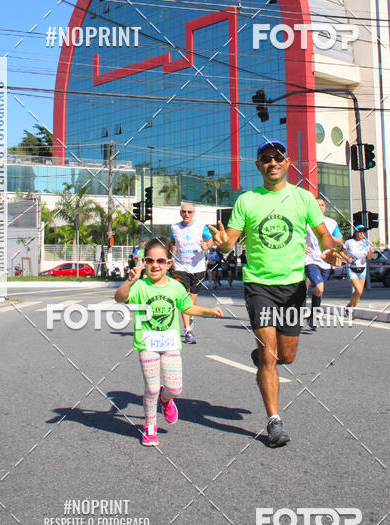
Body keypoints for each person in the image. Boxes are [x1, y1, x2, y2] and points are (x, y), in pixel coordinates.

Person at [209, 139, 337, 448]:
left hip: (293, 287)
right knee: (269, 356)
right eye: (266, 158)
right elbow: (230, 244)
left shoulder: (303, 198)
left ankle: (264, 357)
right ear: (258, 165)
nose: (273, 162)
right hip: (259, 286)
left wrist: (331, 251)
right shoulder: (248, 200)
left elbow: (323, 235)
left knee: (287, 357)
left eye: (278, 157)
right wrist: (224, 242)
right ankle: (274, 421)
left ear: (288, 161)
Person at [115, 236, 223, 446]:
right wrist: (130, 280)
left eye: (160, 261)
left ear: (169, 263)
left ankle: (166, 400)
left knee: (175, 388)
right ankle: (150, 426)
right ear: (144, 263)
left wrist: (209, 311)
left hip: (170, 344)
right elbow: (119, 298)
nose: (155, 265)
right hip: (147, 345)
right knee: (152, 388)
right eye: (150, 261)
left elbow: (187, 308)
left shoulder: (175, 287)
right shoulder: (140, 286)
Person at [170, 203, 213, 344]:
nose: (186, 214)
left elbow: (210, 239)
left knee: (192, 299)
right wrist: (171, 248)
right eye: (184, 211)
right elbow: (171, 242)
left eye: (189, 212)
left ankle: (191, 314)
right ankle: (188, 330)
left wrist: (207, 245)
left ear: (193, 213)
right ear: (180, 213)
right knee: (184, 298)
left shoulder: (201, 226)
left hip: (198, 268)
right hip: (181, 267)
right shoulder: (174, 227)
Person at [305, 198, 350, 330]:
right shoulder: (306, 222)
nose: (320, 207)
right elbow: (296, 236)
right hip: (311, 259)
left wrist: (328, 236)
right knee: (319, 287)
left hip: (326, 262)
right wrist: (302, 247)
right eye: (317, 205)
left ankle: (312, 316)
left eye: (323, 205)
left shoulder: (332, 223)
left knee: (320, 291)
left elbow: (340, 241)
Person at [344, 225, 375, 308]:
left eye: (363, 231)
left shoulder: (366, 243)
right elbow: (340, 251)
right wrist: (346, 258)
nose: (362, 233)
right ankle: (351, 307)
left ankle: (350, 306)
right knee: (358, 289)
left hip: (362, 269)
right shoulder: (349, 242)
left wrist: (371, 252)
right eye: (360, 231)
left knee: (359, 292)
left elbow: (369, 257)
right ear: (355, 232)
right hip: (352, 268)